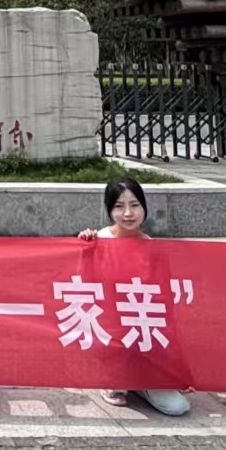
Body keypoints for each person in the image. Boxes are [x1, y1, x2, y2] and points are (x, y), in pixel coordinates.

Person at [77, 177, 191, 417]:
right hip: (112, 331)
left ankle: (141, 382)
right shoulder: (99, 240)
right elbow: (84, 286)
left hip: (143, 330)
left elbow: (163, 303)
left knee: (178, 407)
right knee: (119, 382)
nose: (128, 213)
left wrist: (176, 366)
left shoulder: (152, 248)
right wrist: (85, 250)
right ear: (109, 210)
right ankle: (113, 377)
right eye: (119, 206)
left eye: (135, 205)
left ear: (144, 207)